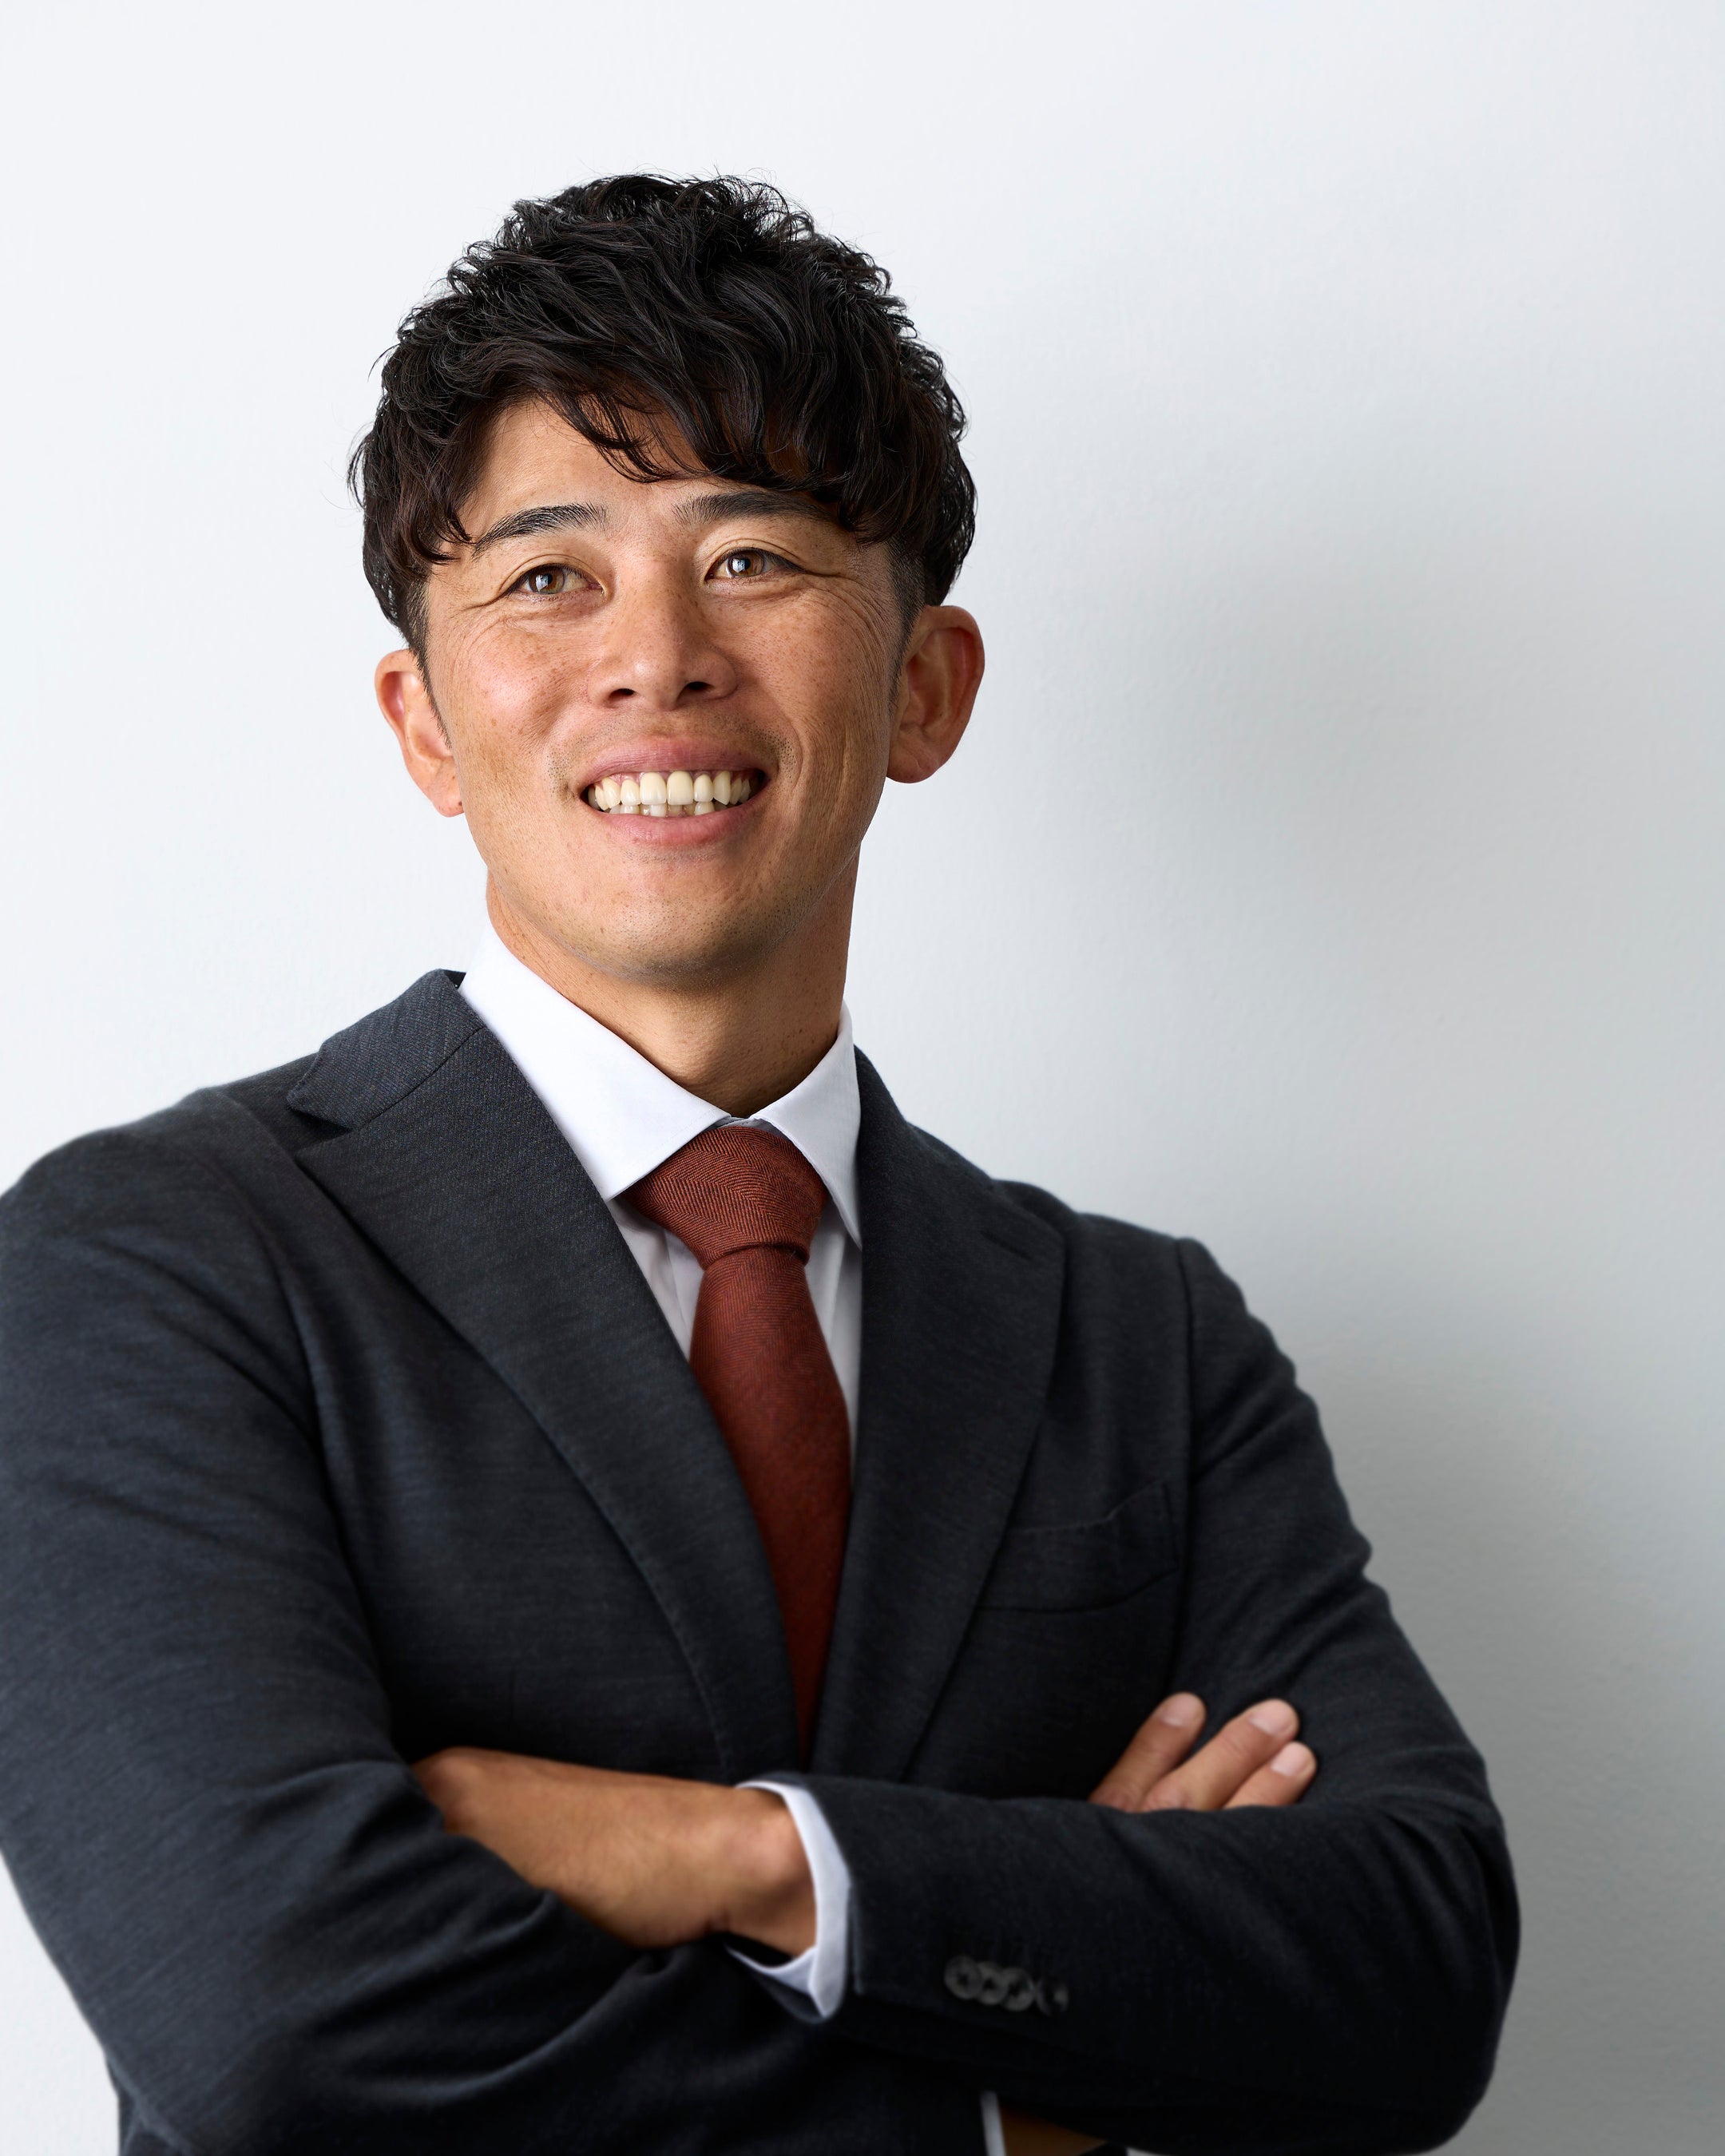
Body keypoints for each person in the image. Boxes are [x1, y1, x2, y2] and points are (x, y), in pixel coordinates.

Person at [0, 176, 1516, 2156]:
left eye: (751, 557)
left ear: (924, 688)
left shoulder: (1143, 1341)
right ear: (425, 724)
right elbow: (274, 2033)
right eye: (549, 578)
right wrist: (1012, 2113)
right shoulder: (151, 1267)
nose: (658, 658)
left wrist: (765, 1861)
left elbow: (1413, 1975)